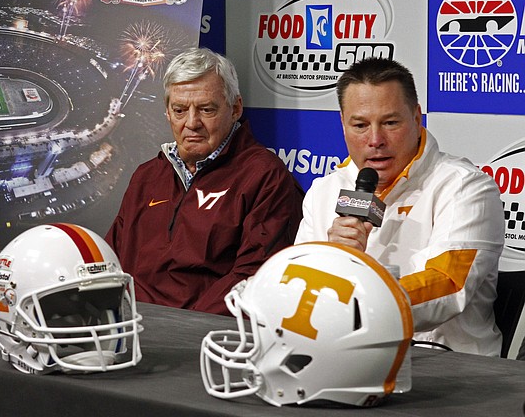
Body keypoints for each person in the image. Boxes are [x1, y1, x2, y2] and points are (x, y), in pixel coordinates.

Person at [295, 57, 504, 356]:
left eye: (391, 122)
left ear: (417, 118)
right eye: (360, 125)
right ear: (342, 124)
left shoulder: (465, 186)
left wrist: (355, 308)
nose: (375, 140)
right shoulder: (324, 190)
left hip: (448, 370)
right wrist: (332, 259)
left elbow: (448, 285)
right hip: (344, 359)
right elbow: (298, 289)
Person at [106, 47, 304, 315]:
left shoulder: (266, 177)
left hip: (207, 338)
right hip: (130, 330)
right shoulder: (146, 176)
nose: (191, 123)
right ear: (167, 112)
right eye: (179, 110)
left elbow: (254, 278)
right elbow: (110, 262)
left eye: (206, 109)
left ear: (235, 108)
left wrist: (184, 329)